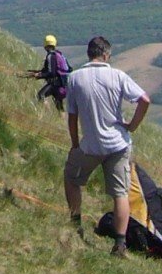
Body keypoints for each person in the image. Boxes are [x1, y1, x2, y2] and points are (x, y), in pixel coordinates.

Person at [63, 35, 151, 257]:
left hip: (90, 145)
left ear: (89, 54)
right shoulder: (117, 75)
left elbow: (72, 116)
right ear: (106, 55)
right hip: (118, 144)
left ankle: (75, 222)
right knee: (120, 193)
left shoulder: (74, 78)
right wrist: (132, 126)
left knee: (72, 179)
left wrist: (75, 143)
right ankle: (119, 244)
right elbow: (144, 99)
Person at [25, 34, 70, 110]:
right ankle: (62, 120)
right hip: (62, 85)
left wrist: (39, 75)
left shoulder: (50, 56)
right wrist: (36, 72)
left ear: (45, 45)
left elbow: (51, 73)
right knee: (59, 106)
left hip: (54, 84)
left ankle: (48, 114)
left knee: (41, 95)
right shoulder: (59, 54)